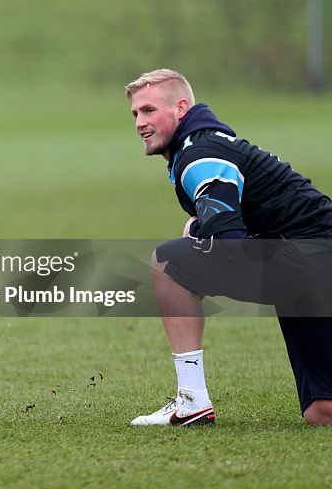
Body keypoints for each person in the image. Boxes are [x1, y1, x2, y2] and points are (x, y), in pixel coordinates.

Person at [125, 68, 332, 426]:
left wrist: (198, 233)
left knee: (167, 262)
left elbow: (231, 246)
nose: (140, 122)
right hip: (309, 269)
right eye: (135, 114)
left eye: (149, 110)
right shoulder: (205, 144)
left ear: (181, 108)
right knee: (322, 411)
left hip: (311, 263)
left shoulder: (200, 155)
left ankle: (192, 402)